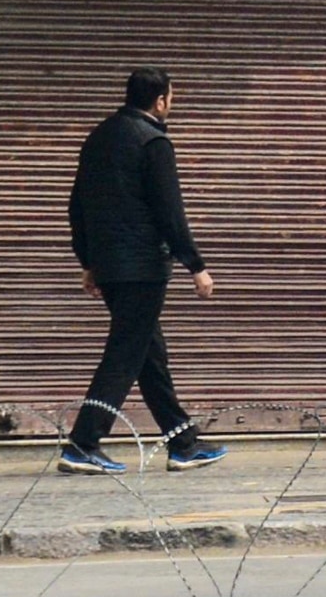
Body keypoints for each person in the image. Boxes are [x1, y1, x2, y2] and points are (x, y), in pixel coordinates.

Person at [60, 69, 221, 474]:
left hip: (110, 265)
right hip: (142, 268)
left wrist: (88, 262)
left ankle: (183, 443)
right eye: (172, 98)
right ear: (160, 101)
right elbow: (170, 211)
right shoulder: (153, 142)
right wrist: (196, 266)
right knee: (124, 355)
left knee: (149, 355)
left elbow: (77, 205)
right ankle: (83, 444)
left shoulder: (98, 138)